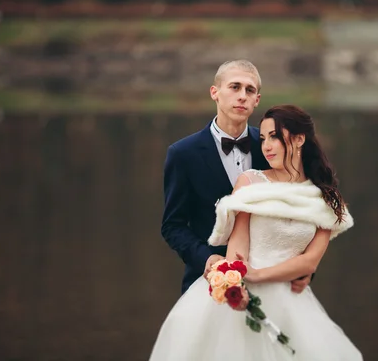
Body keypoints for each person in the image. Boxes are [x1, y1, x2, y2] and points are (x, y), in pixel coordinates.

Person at [149, 105, 363, 360]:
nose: (267, 146)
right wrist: (236, 283)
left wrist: (261, 275)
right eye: (262, 139)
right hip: (242, 290)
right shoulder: (250, 181)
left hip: (289, 298)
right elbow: (238, 241)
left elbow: (310, 260)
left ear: (298, 139)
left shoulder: (325, 198)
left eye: (274, 136)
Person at [161, 60, 312, 295]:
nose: (242, 96)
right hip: (209, 283)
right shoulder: (182, 154)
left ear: (257, 100)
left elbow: (298, 212)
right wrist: (207, 259)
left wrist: (305, 267)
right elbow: (173, 225)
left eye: (249, 90)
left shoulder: (273, 147)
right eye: (234, 87)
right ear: (215, 93)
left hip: (273, 282)